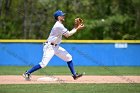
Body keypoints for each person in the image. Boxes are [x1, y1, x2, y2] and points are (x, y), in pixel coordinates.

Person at [23, 10, 84, 80]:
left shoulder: (60, 25)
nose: (63, 16)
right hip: (49, 47)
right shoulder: (58, 26)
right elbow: (68, 35)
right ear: (58, 17)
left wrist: (76, 27)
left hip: (56, 46)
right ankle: (27, 73)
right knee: (43, 64)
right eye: (62, 15)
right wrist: (77, 28)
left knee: (69, 57)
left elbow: (68, 33)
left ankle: (74, 75)